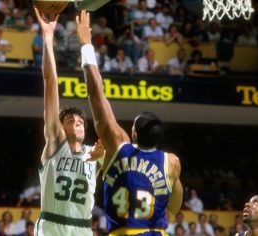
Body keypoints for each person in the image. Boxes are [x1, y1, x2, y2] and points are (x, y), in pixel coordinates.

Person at [76, 10, 183, 236]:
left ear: (133, 134)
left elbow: (96, 94)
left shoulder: (119, 147)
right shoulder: (172, 162)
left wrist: (86, 44)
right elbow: (174, 207)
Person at [32, 7, 105, 236]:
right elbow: (50, 82)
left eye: (80, 119)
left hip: (83, 229)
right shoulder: (55, 144)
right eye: (70, 119)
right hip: (51, 227)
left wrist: (105, 153)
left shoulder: (95, 154)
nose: (77, 121)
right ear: (59, 126)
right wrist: (47, 37)